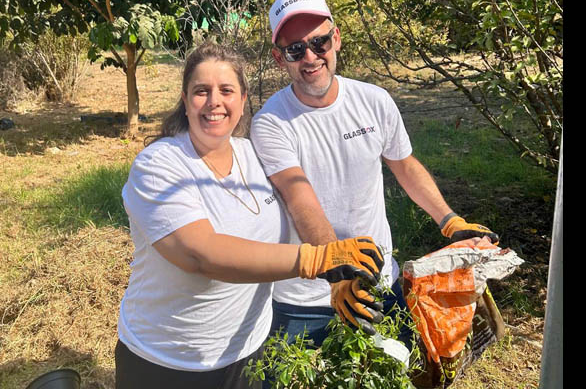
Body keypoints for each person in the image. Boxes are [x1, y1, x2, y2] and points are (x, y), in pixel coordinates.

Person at [115, 41, 385, 389]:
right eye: (201, 91)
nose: (214, 101)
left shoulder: (252, 155)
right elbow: (200, 253)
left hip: (247, 353)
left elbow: (301, 202)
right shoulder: (158, 166)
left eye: (226, 90)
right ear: (185, 101)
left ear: (243, 101)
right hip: (167, 360)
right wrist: (317, 260)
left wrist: (338, 274)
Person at [250, 0, 500, 348]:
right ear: (279, 58)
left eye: (319, 42)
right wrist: (335, 273)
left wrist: (450, 221)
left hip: (381, 284)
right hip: (305, 302)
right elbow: (297, 196)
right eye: (295, 49)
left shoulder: (373, 100)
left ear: (335, 39)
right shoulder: (272, 122)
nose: (310, 56)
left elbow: (404, 165)